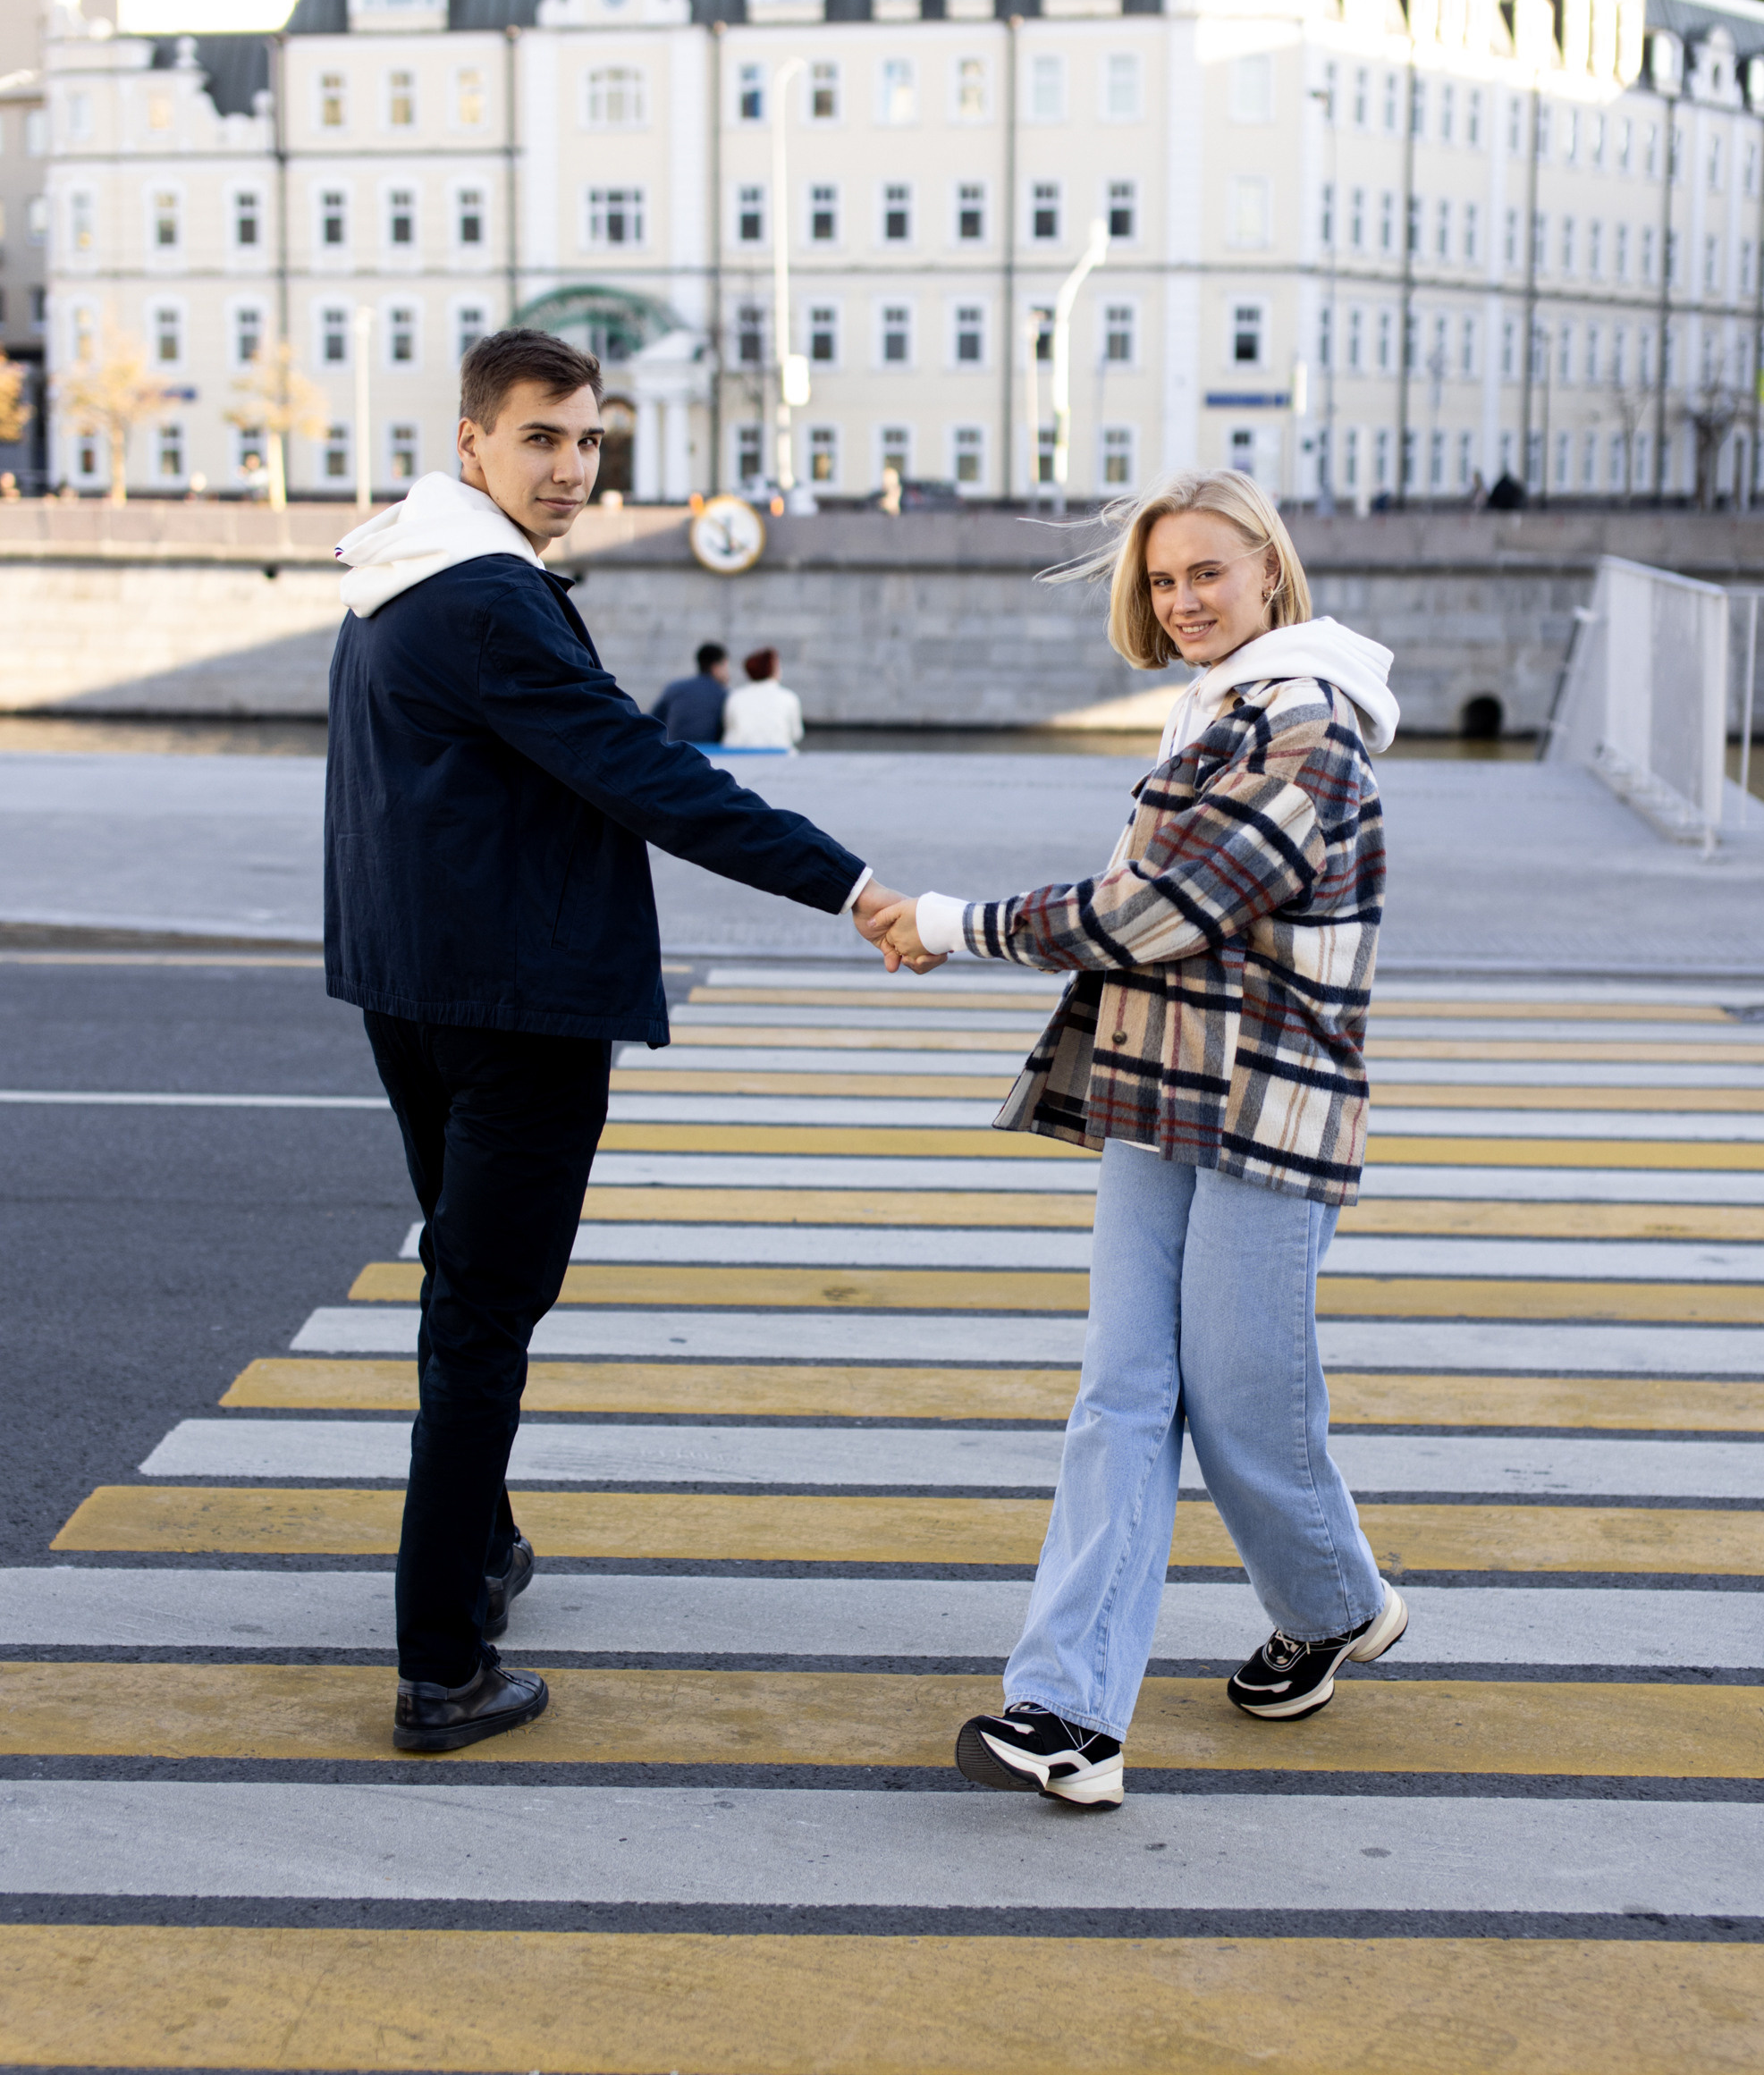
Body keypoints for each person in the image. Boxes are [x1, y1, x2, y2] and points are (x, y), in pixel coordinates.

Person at [325, 327, 912, 1755]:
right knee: (484, 1323)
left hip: (414, 989)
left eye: (591, 440)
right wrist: (850, 884)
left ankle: (480, 1552)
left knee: (464, 1292)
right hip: (515, 1010)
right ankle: (439, 1668)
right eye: (543, 438)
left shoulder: (391, 580)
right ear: (474, 443)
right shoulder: (483, 601)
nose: (574, 467)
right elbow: (645, 771)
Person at [867, 468, 1405, 1812]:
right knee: (1119, 1393)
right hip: (1157, 1094)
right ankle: (1067, 1715)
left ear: (1269, 571)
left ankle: (1335, 1603)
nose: (1184, 602)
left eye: (1208, 574)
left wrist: (949, 922)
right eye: (1164, 583)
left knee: (1236, 1401)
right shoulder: (1207, 714)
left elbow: (1160, 909)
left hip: (1271, 1109)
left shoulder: (1313, 726)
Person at [722, 645, 804, 752]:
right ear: (773, 669)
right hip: (780, 757)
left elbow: (730, 730)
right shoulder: (788, 697)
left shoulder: (735, 697)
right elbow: (796, 734)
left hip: (740, 756)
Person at [651, 642, 730, 746]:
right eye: (726, 666)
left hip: (675, 752)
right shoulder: (723, 695)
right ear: (716, 667)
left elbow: (654, 721)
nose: (728, 672)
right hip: (709, 755)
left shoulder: (674, 688)